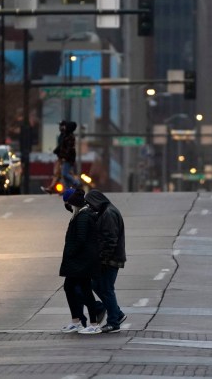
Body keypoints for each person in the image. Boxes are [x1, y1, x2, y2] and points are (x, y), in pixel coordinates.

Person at [59, 188, 102, 334]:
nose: (69, 207)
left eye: (70, 205)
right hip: (80, 262)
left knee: (84, 290)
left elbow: (81, 239)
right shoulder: (80, 215)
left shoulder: (83, 216)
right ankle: (77, 321)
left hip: (81, 262)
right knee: (71, 288)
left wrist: (71, 253)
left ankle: (93, 324)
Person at [85, 189, 127, 333]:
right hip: (108, 259)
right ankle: (117, 313)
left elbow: (110, 240)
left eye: (90, 204)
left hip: (110, 260)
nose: (90, 207)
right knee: (97, 286)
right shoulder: (106, 211)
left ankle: (113, 322)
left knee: (107, 289)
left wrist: (103, 260)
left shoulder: (108, 213)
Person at [41, 120, 67, 194]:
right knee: (57, 174)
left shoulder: (66, 136)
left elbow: (63, 147)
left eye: (61, 125)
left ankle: (70, 189)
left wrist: (57, 151)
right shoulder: (61, 136)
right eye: (60, 125)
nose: (60, 127)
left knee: (66, 174)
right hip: (60, 157)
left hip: (65, 158)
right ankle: (51, 188)